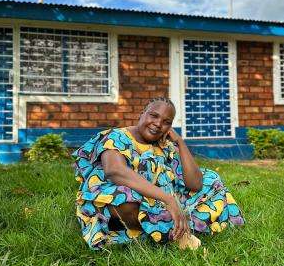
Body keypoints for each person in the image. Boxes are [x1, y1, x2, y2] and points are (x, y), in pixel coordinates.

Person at [73, 97, 245, 250]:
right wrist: (168, 199)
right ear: (142, 114)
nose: (158, 124)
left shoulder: (164, 146)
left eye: (166, 122)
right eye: (153, 116)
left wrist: (180, 143)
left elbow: (195, 184)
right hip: (125, 198)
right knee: (124, 200)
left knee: (211, 179)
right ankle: (177, 231)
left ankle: (165, 226)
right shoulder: (116, 136)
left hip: (157, 203)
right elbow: (115, 171)